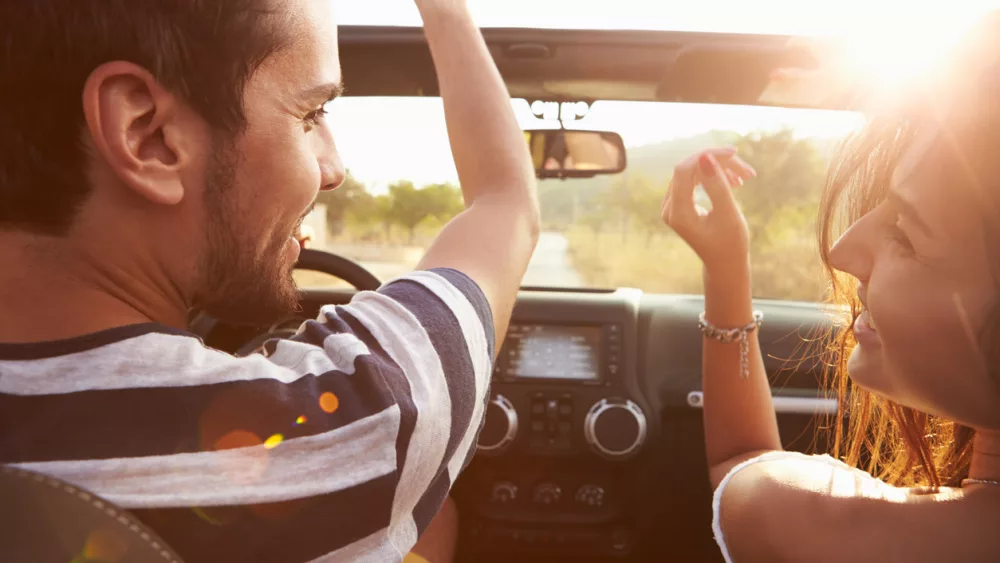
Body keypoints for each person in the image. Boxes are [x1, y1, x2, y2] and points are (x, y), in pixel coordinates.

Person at [0, 1, 539, 562]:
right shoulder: (346, 426)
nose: (334, 169)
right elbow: (505, 205)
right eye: (311, 114)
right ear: (148, 135)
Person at [661, 15, 1000, 563]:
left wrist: (725, 268)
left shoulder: (824, 530)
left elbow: (742, 464)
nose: (842, 251)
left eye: (905, 233)